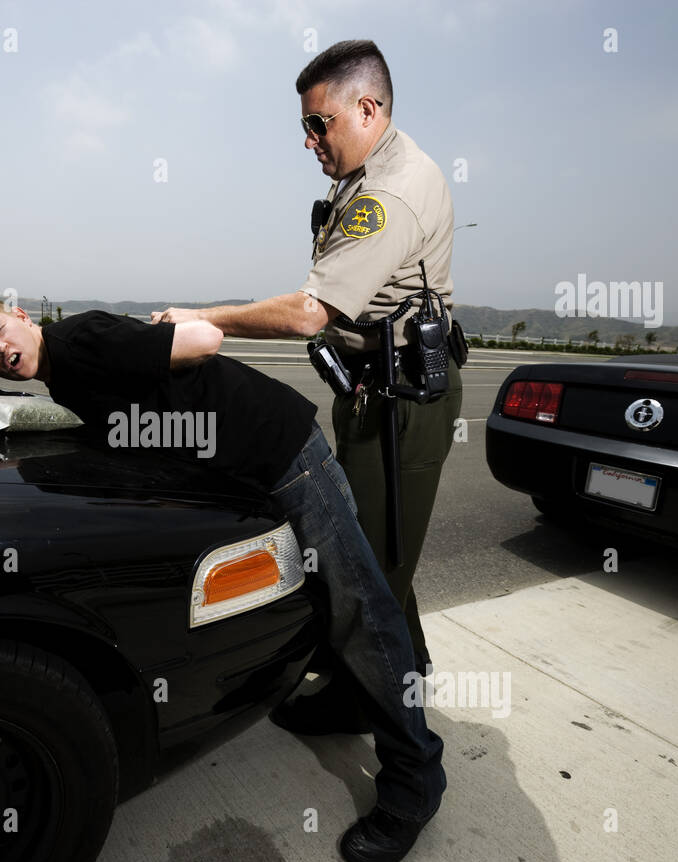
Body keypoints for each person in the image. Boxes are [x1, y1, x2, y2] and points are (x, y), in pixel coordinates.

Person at [0, 295, 445, 862]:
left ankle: (415, 778)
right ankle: (348, 707)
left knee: (361, 609)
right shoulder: (62, 376)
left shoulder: (82, 341)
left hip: (283, 458)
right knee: (322, 604)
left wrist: (183, 320)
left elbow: (205, 342)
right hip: (242, 475)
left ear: (23, 318)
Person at [151, 38, 463, 733]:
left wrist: (201, 317)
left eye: (318, 123)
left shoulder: (390, 191)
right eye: (305, 125)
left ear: (368, 108)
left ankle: (403, 759)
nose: (308, 139)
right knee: (386, 552)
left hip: (404, 404)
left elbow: (307, 311)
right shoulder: (358, 177)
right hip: (371, 390)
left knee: (366, 581)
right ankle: (384, 685)